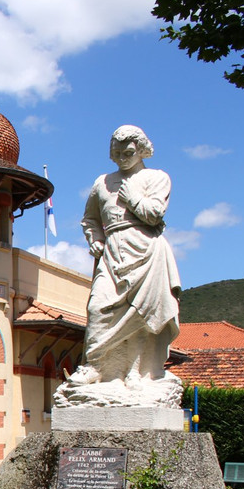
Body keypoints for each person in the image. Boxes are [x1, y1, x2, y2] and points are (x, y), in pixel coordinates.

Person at [69, 125, 181, 387]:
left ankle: (135, 371)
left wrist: (132, 198)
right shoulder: (102, 183)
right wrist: (95, 239)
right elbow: (90, 220)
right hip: (112, 252)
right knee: (97, 308)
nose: (122, 156)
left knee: (142, 313)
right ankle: (94, 366)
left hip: (146, 248)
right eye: (116, 151)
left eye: (128, 151)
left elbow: (154, 214)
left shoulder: (157, 178)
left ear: (141, 150)